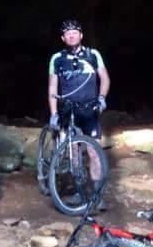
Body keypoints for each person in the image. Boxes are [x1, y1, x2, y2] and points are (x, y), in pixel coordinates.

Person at [47, 19, 110, 188]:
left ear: (81, 35)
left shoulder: (93, 55)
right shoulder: (57, 59)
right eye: (68, 33)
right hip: (68, 110)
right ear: (63, 38)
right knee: (74, 151)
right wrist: (54, 114)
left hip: (90, 109)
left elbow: (104, 79)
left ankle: (97, 193)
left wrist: (102, 97)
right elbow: (52, 87)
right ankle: (79, 191)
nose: (71, 35)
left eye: (75, 32)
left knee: (94, 151)